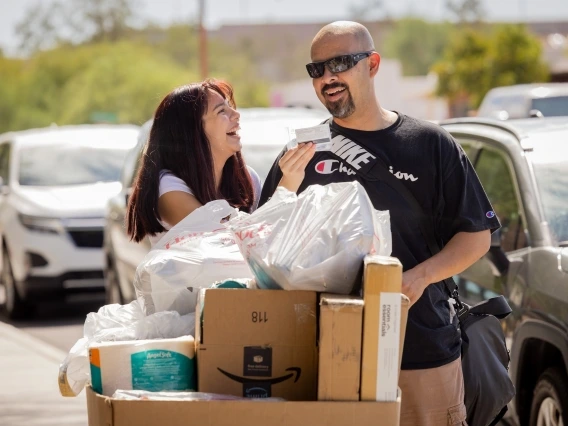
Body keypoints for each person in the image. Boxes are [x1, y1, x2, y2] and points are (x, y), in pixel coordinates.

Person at [259, 22, 500, 425]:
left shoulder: (430, 144)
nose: (327, 78)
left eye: (340, 64)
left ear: (372, 65)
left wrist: (418, 278)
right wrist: (287, 185)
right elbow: (264, 249)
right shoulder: (301, 153)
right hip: (323, 353)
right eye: (316, 69)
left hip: (419, 349)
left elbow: (476, 237)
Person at [126, 79, 314, 245]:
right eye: (222, 111)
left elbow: (264, 241)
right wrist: (288, 184)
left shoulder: (248, 179)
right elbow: (225, 241)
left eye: (231, 107)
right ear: (192, 131)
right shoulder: (168, 187)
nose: (236, 115)